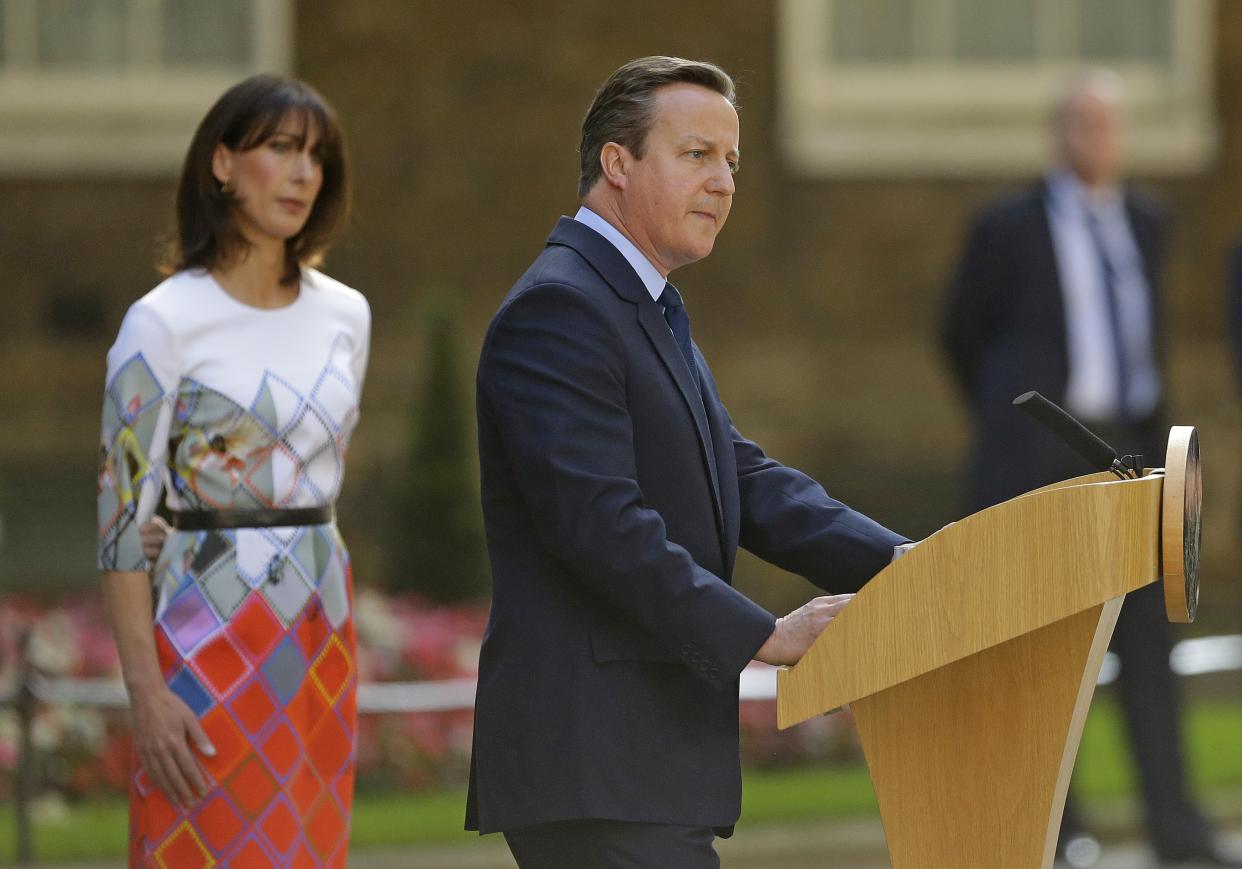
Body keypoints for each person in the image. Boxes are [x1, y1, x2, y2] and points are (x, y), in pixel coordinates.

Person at [466, 56, 908, 868]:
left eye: (732, 162)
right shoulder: (561, 308)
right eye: (697, 154)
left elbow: (743, 478)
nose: (724, 182)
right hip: (595, 763)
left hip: (643, 767)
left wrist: (916, 566)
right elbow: (602, 527)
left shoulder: (643, 302)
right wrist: (765, 634)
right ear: (617, 163)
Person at [942, 69, 1239, 867]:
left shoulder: (1147, 221)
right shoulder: (1006, 225)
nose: (1097, 141)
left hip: (1131, 462)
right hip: (1038, 460)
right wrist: (1015, 428)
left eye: (1109, 126)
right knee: (1045, 658)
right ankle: (1061, 835)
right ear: (1058, 135)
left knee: (1149, 650)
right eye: (1082, 125)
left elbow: (1149, 349)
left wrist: (1177, 460)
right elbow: (961, 334)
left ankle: (1178, 829)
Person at [96, 74, 369, 867]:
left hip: (321, 623)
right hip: (203, 626)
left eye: (316, 156)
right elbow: (119, 531)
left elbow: (320, 476)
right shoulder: (160, 323)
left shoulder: (347, 315)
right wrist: (147, 695)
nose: (302, 173)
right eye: (280, 148)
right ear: (221, 163)